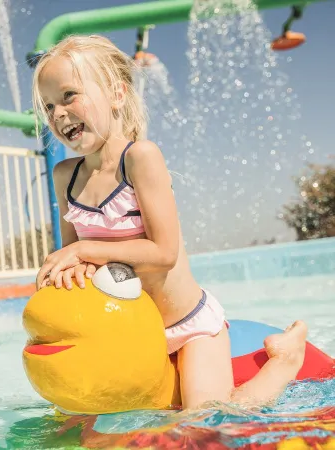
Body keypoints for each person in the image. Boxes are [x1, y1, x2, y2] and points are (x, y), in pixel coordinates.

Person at [31, 34, 307, 410]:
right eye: (48, 107)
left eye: (68, 96)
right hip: (132, 335)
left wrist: (83, 248)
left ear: (116, 94)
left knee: (207, 419)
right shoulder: (66, 175)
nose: (58, 113)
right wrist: (61, 268)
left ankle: (287, 360)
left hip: (186, 325)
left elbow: (163, 251)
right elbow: (73, 258)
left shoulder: (141, 157)